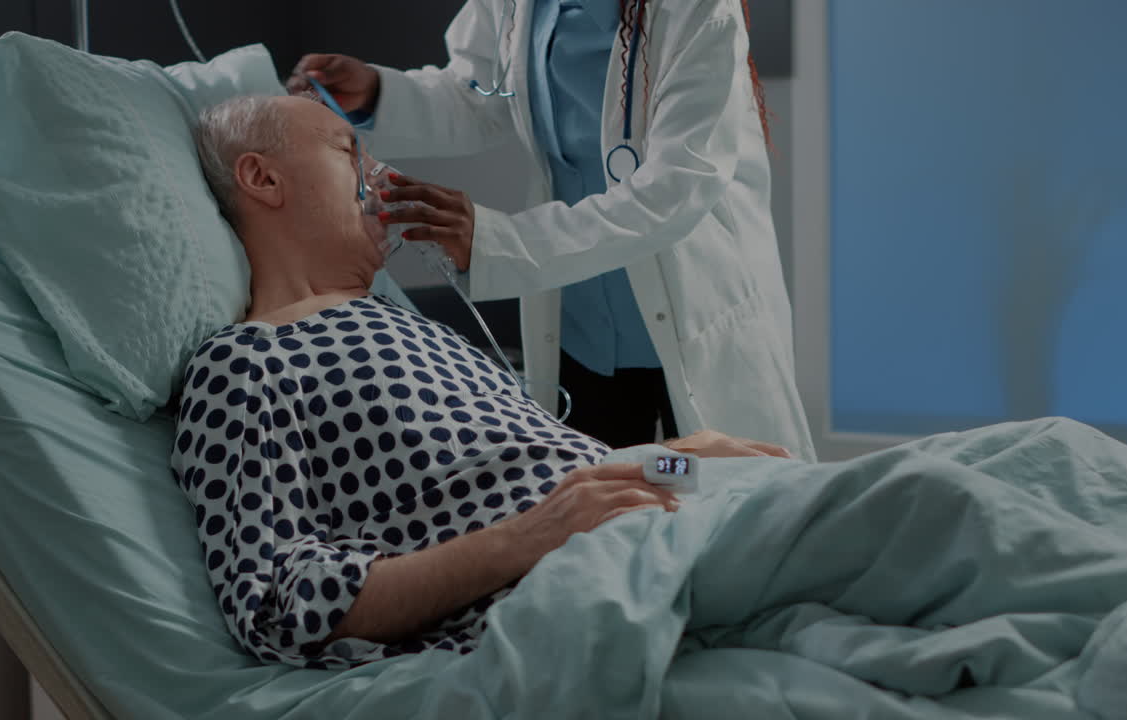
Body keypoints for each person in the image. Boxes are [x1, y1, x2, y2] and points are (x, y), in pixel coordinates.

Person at [175, 93, 791, 669]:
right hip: (580, 578)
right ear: (262, 178)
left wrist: (680, 461)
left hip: (669, 508)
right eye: (348, 151)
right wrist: (530, 537)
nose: (383, 174)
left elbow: (574, 477)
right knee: (877, 523)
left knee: (796, 484)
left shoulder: (416, 331)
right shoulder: (247, 362)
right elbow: (280, 604)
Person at [286, 0, 816, 458]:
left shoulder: (694, 8)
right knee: (611, 502)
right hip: (581, 319)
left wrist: (499, 243)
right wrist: (380, 93)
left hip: (694, 311)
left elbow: (675, 188)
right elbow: (478, 95)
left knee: (717, 498)